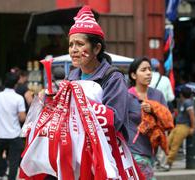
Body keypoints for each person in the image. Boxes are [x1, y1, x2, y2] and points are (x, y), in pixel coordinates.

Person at [67, 5, 128, 133]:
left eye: (80, 44)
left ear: (96, 48)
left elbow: (114, 121)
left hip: (106, 149)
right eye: (71, 44)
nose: (73, 50)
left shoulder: (113, 78)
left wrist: (80, 106)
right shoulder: (71, 77)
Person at [125, 57, 168, 179]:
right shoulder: (126, 96)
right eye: (143, 70)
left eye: (149, 69)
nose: (148, 73)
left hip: (151, 149)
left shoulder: (157, 95)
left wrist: (154, 110)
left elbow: (167, 121)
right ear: (133, 75)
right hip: (132, 149)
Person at [0, 72, 26, 180]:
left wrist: (0, 117)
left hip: (0, 135)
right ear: (15, 85)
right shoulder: (18, 98)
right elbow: (22, 117)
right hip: (14, 135)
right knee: (14, 162)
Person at [162, 86, 195, 171]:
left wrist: (192, 128)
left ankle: (168, 163)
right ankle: (164, 162)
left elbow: (192, 115)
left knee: (174, 145)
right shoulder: (184, 102)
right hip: (178, 126)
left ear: (181, 95)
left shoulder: (188, 103)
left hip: (184, 126)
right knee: (167, 142)